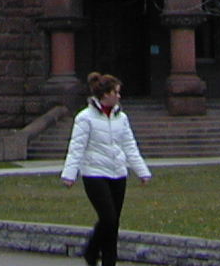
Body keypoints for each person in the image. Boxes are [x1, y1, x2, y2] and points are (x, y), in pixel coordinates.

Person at [60, 72, 152, 266]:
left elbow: (129, 145)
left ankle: (108, 261)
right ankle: (91, 250)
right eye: (116, 92)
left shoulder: (122, 117)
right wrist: (70, 174)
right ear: (105, 94)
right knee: (108, 218)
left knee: (113, 224)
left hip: (118, 173)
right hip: (94, 174)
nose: (119, 96)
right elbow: (77, 147)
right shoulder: (85, 118)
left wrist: (141, 171)